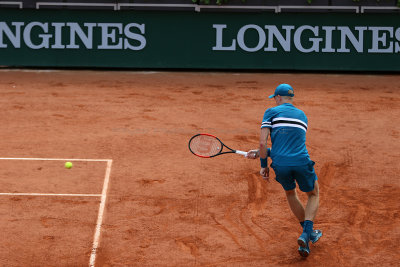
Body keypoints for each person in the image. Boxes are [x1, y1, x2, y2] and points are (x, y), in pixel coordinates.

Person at [246, 83, 322, 257]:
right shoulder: (303, 115)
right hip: (302, 161)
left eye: (274, 99)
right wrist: (261, 152)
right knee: (314, 193)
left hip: (280, 164)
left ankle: (308, 235)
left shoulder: (271, 112)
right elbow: (290, 146)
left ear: (278, 98)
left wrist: (263, 164)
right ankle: (307, 233)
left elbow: (263, 143)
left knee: (290, 193)